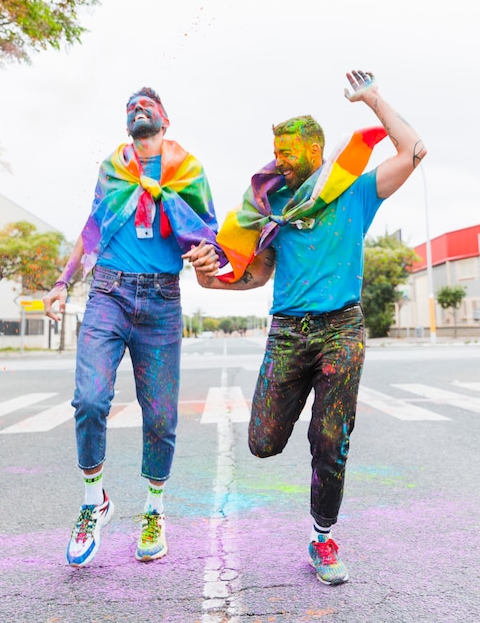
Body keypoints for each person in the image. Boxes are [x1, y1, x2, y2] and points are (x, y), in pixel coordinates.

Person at [184, 70, 427, 585]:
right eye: (275, 151)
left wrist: (373, 100)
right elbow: (259, 273)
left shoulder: (357, 192)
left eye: (289, 151)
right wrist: (213, 283)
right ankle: (303, 424)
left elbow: (413, 150)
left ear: (315, 150)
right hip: (289, 332)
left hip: (342, 327)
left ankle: (323, 536)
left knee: (332, 435)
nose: (280, 160)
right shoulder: (275, 206)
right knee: (263, 442)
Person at [43, 87, 221, 567]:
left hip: (162, 298)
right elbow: (93, 226)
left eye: (147, 106)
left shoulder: (189, 170)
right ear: (127, 124)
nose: (139, 111)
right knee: (90, 399)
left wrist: (210, 252)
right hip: (108, 291)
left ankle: (154, 510)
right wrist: (63, 281)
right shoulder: (111, 168)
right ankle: (93, 501)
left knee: (160, 418)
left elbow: (210, 233)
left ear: (165, 119)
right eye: (131, 108)